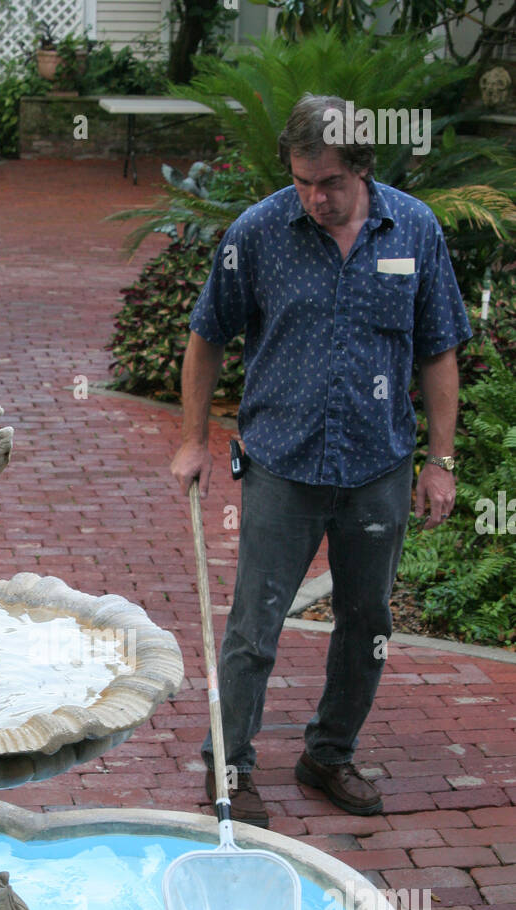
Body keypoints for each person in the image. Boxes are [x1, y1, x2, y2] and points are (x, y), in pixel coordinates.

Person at [170, 93, 472, 828]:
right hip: (279, 463)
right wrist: (190, 439)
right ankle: (231, 766)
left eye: (329, 182)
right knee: (252, 625)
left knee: (366, 619)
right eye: (302, 180)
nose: (313, 197)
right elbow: (206, 336)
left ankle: (328, 754)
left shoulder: (415, 230)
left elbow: (437, 349)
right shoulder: (258, 233)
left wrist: (440, 460)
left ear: (363, 169)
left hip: (376, 465)